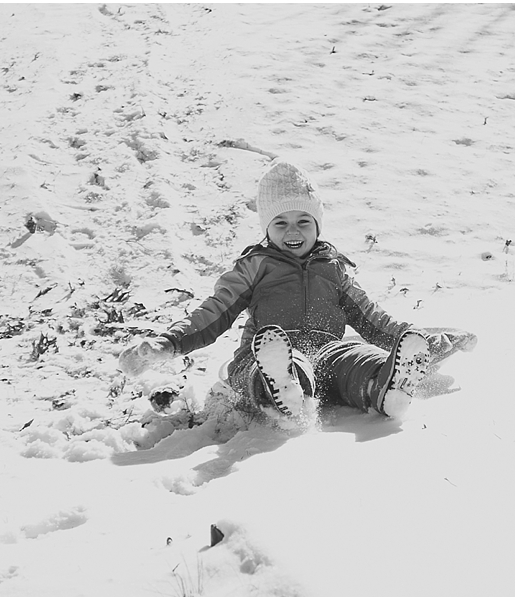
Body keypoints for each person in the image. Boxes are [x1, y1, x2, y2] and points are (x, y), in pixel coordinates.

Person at [118, 159, 431, 421]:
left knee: (356, 356)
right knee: (278, 366)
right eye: (280, 223)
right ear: (266, 228)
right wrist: (169, 342)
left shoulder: (333, 269)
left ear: (318, 224)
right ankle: (281, 388)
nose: (293, 231)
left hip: (325, 354)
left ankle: (387, 389)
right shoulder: (255, 266)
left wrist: (422, 342)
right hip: (261, 355)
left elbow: (372, 318)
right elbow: (214, 311)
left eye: (303, 221)